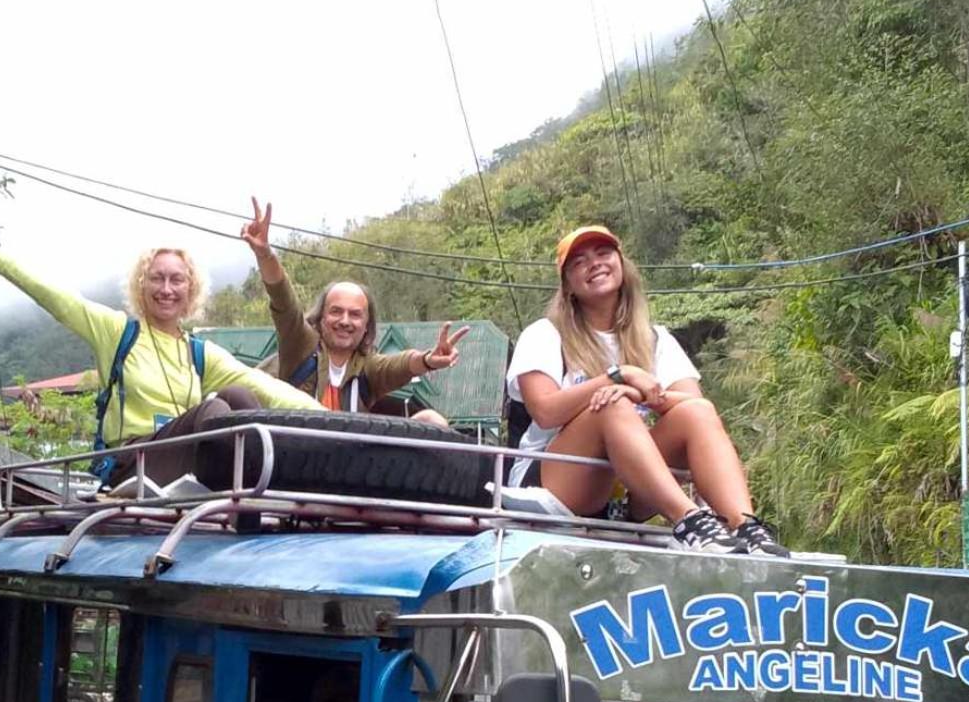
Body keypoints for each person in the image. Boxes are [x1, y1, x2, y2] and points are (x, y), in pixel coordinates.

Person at [0, 201, 322, 486]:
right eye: (156, 278)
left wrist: (337, 421)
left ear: (190, 289)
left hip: (183, 462)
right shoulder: (118, 333)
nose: (166, 289)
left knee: (241, 398)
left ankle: (251, 512)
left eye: (177, 280)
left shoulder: (198, 352)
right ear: (141, 285)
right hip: (133, 462)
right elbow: (58, 298)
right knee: (216, 411)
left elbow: (267, 388)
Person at [505, 225, 787, 555]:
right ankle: (689, 521)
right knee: (610, 404)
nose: (594, 263)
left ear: (622, 263)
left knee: (697, 413)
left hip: (624, 489)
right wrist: (618, 377)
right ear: (567, 285)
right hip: (555, 483)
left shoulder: (656, 338)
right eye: (579, 261)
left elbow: (692, 403)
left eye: (603, 253)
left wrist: (639, 391)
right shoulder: (545, 334)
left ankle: (746, 528)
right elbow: (545, 410)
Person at [238, 199, 470, 428]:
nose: (345, 321)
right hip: (295, 452)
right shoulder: (301, 347)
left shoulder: (367, 368)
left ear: (367, 325)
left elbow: (398, 365)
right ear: (321, 318)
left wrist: (429, 360)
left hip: (348, 458)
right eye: (336, 312)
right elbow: (284, 302)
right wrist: (265, 254)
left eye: (355, 314)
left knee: (432, 420)